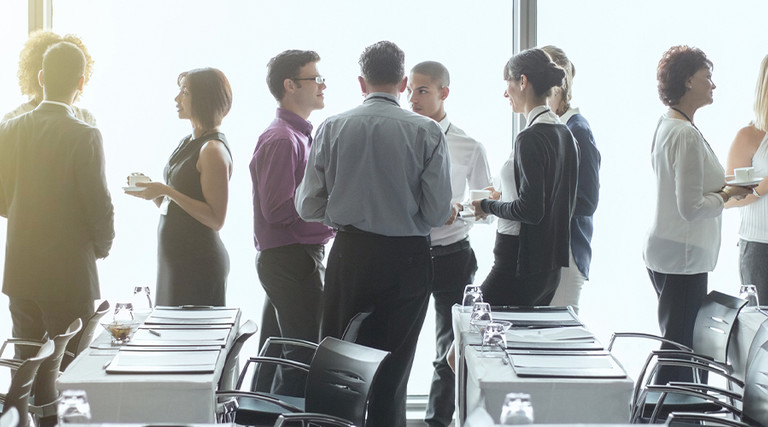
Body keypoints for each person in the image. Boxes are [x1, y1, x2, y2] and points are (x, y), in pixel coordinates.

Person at [295, 41, 452, 427]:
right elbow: (435, 212)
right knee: (393, 375)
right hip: (408, 260)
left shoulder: (333, 127)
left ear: (362, 82)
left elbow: (306, 207)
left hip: (351, 254)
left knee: (336, 368)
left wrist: (346, 210)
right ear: (402, 82)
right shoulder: (428, 131)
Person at [0, 41, 114, 359]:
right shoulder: (85, 134)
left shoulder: (7, 130)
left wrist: (26, 215)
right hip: (69, 273)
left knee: (26, 366)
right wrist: (102, 247)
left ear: (41, 77)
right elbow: (98, 205)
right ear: (80, 83)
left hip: (21, 270)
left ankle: (27, 412)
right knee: (68, 368)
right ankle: (56, 411)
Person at [644, 46, 750, 384]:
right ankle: (661, 416)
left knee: (678, 344)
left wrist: (722, 190)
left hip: (668, 249)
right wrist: (728, 195)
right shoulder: (684, 134)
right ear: (689, 81)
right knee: (679, 352)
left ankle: (666, 415)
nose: (714, 85)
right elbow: (690, 208)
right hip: (682, 256)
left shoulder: (668, 124)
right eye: (708, 78)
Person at [407, 60, 492, 427]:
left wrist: (460, 211)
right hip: (407, 254)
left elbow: (486, 209)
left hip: (453, 255)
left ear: (444, 92)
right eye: (409, 90)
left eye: (422, 90)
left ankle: (437, 423)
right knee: (397, 346)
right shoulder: (402, 138)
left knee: (450, 351)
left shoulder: (468, 146)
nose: (412, 98)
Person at [250, 50, 335, 395]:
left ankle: (256, 418)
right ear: (290, 85)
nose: (322, 85)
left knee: (277, 354)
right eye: (314, 78)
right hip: (292, 258)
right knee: (301, 356)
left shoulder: (295, 135)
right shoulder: (284, 139)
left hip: (288, 258)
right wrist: (332, 217)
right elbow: (278, 210)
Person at [471, 48, 579, 306]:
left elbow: (531, 209)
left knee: (467, 325)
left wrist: (486, 206)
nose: (505, 93)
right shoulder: (565, 134)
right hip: (549, 267)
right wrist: (503, 195)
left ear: (522, 81)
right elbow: (558, 201)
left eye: (507, 83)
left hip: (517, 263)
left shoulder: (530, 138)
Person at [127, 68, 233, 307]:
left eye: (185, 92)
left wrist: (166, 191)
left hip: (197, 263)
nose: (177, 98)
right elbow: (179, 208)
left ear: (203, 98)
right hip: (175, 261)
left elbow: (216, 218)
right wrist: (153, 193)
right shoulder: (188, 142)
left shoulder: (212, 150)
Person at [541, 45, 601, 314]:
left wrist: (535, 206)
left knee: (560, 338)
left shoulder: (577, 129)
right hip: (553, 250)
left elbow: (587, 201)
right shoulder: (551, 127)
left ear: (556, 85)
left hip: (567, 252)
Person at [725, 54, 768, 301]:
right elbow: (727, 199)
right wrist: (763, 187)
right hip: (760, 249)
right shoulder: (748, 136)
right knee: (761, 332)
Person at [3, 30, 96, 125]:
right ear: (41, 76)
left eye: (69, 73)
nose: (62, 81)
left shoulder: (86, 119)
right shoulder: (12, 121)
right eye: (56, 71)